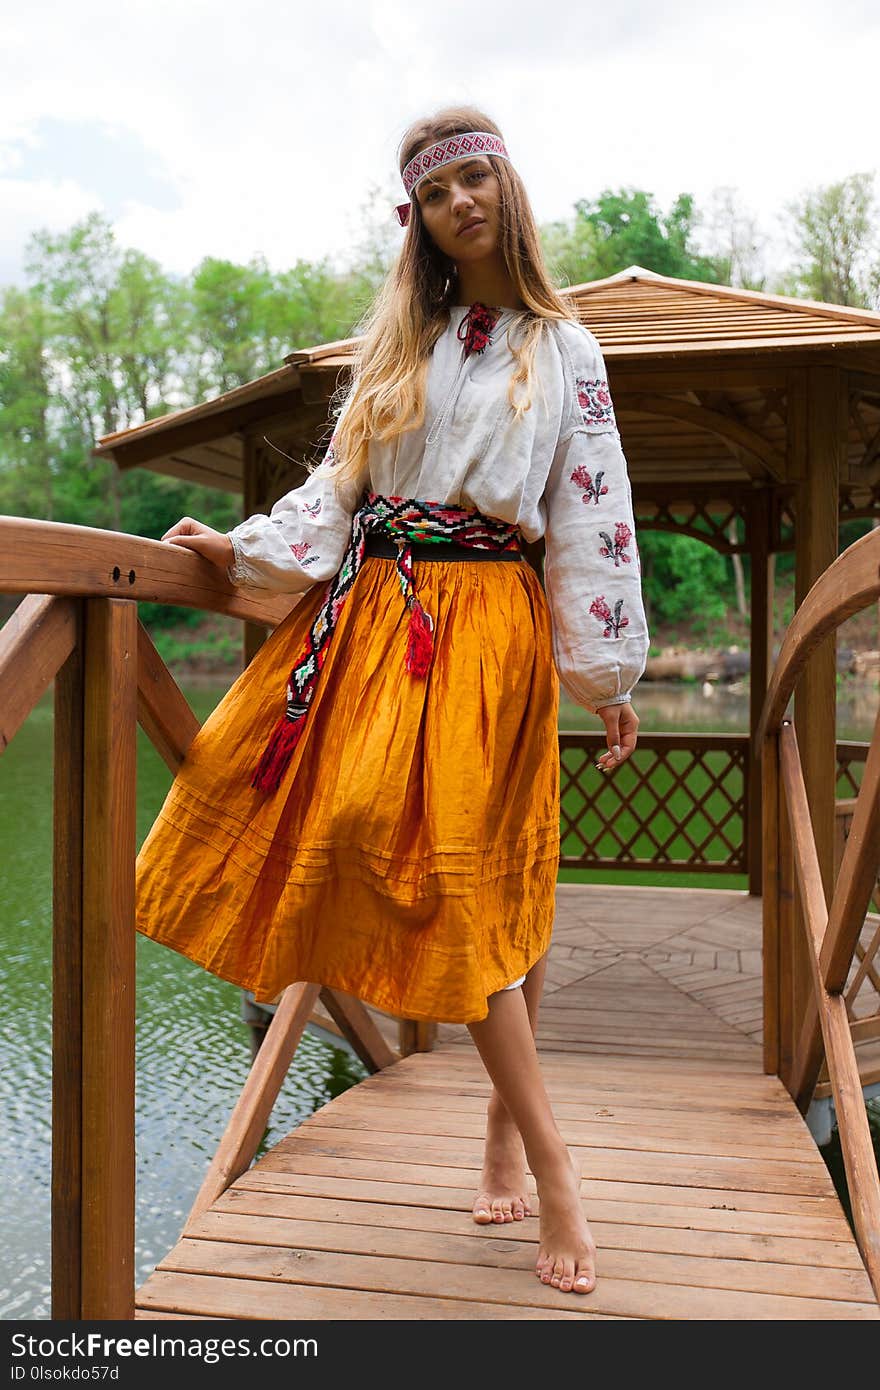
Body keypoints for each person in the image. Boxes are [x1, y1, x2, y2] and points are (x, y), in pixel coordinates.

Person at [136, 106, 649, 1299]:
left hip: (488, 626)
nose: (461, 201)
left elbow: (592, 506)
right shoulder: (400, 347)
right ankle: (518, 1127)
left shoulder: (562, 346)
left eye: (477, 178)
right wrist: (240, 551)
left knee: (477, 876)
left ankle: (536, 1153)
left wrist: (607, 672)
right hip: (375, 622)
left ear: (507, 191)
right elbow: (340, 487)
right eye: (437, 191)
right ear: (413, 219)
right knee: (382, 844)